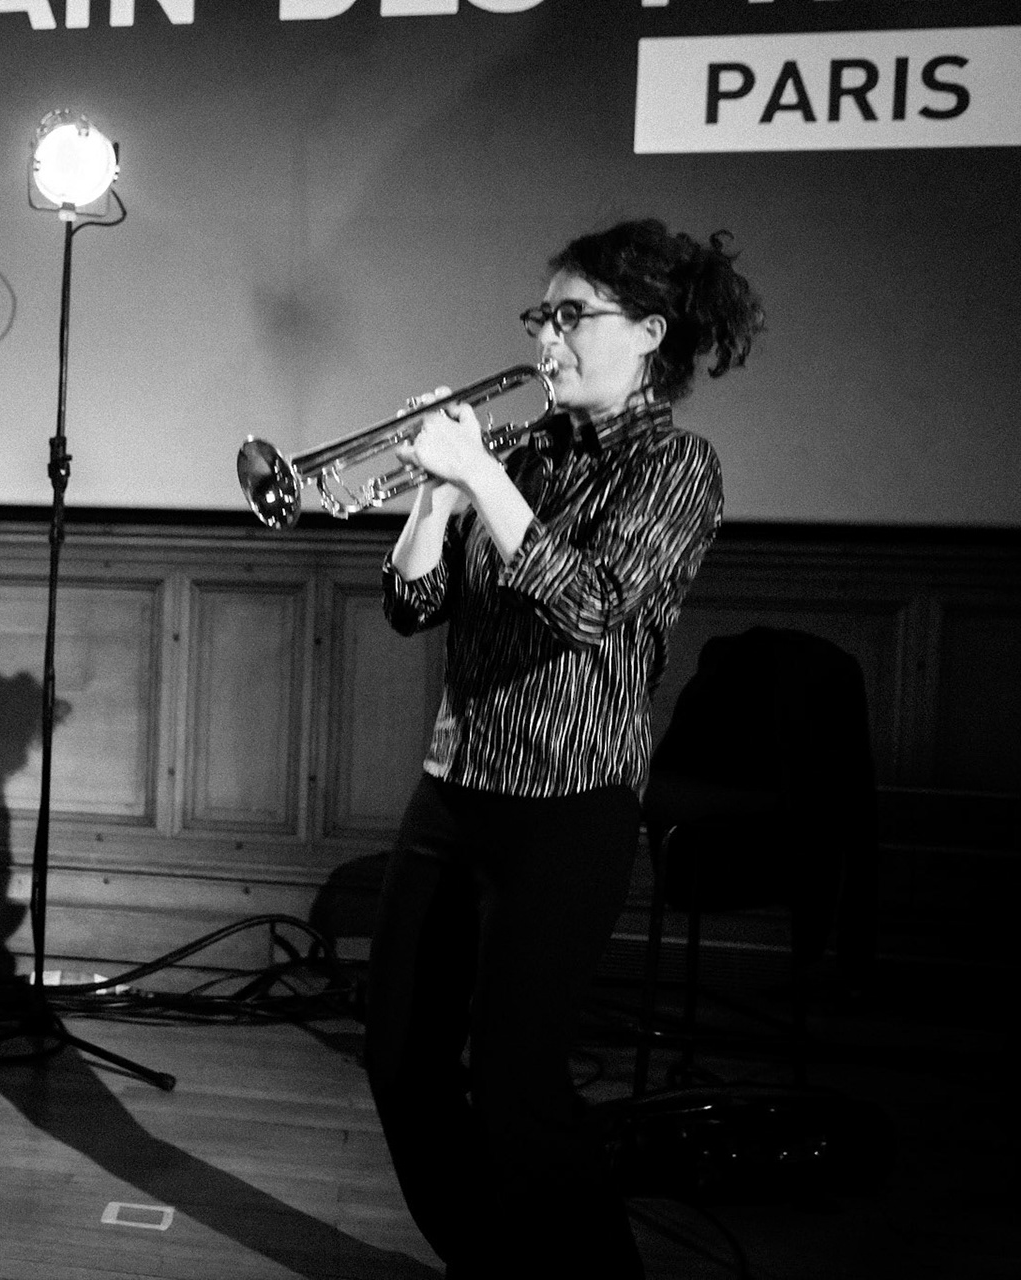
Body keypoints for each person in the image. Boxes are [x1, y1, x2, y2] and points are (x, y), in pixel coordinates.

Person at [362, 219, 765, 1277]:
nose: (547, 335)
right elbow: (412, 607)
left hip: (568, 806)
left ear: (646, 332)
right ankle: (485, 1261)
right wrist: (435, 496)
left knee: (515, 1084)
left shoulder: (678, 465)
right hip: (455, 788)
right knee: (400, 1060)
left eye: (571, 314)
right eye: (541, 314)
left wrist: (482, 485)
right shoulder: (518, 453)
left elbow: (590, 605)